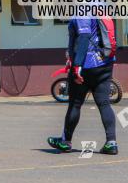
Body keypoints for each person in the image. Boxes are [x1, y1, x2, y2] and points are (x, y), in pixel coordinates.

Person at [48, 8, 118, 155]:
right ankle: (111, 143)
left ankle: (65, 141)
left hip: (87, 64)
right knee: (104, 103)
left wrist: (77, 65)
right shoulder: (101, 5)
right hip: (105, 62)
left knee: (75, 103)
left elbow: (84, 37)